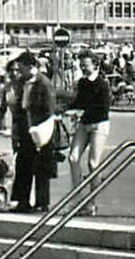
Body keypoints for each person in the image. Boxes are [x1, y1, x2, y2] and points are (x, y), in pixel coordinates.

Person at [10, 52, 57, 214]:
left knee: (42, 166)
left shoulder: (43, 83)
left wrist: (40, 129)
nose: (19, 72)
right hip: (25, 125)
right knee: (23, 164)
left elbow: (49, 109)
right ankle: (23, 201)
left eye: (21, 68)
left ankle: (42, 202)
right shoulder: (21, 82)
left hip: (40, 128)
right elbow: (18, 105)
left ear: (31, 66)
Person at [67, 52, 112, 214]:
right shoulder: (82, 83)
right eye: (81, 64)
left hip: (98, 124)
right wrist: (66, 109)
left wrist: (81, 111)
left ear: (95, 65)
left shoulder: (102, 84)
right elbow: (79, 101)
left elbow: (103, 108)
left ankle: (92, 203)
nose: (82, 67)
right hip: (84, 123)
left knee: (93, 163)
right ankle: (77, 199)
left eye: (85, 64)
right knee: (73, 157)